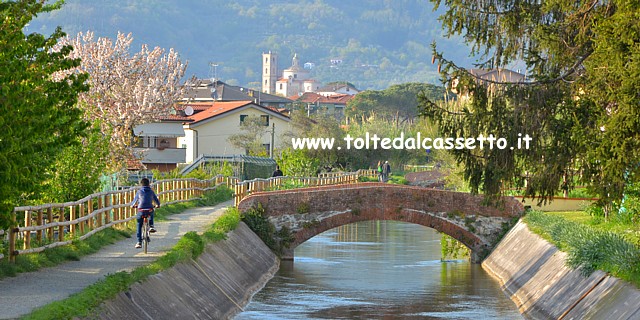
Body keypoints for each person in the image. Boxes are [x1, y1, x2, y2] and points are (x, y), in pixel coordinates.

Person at [131, 177, 160, 249]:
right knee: (151, 212)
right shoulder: (151, 191)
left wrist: (132, 205)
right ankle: (151, 226)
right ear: (149, 184)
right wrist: (158, 205)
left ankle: (139, 242)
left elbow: (134, 201)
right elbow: (156, 199)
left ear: (141, 184)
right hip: (149, 209)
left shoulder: (139, 191)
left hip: (141, 210)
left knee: (139, 224)